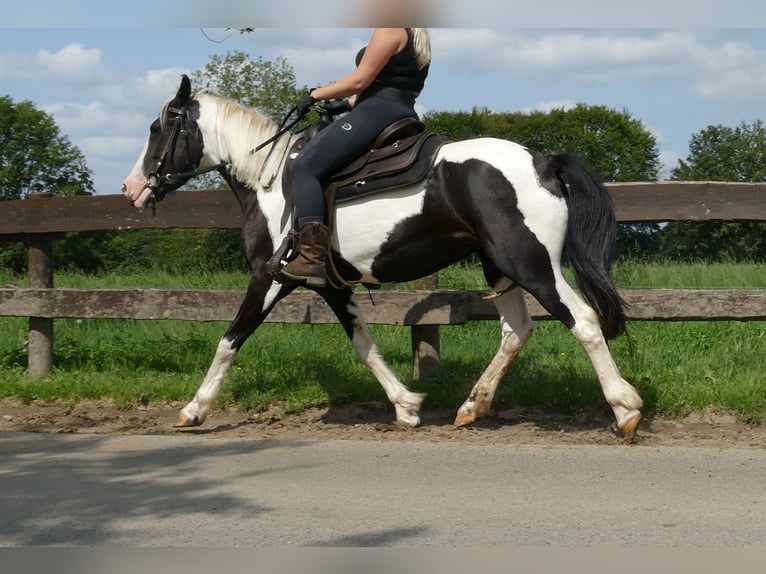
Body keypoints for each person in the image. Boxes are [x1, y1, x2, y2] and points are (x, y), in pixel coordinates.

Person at [279, 27, 431, 288]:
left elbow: (360, 81)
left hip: (378, 110)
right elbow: (400, 87)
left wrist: (315, 94)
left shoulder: (390, 28)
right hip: (401, 110)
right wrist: (346, 104)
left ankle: (311, 257)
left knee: (305, 166)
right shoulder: (417, 36)